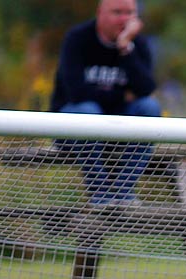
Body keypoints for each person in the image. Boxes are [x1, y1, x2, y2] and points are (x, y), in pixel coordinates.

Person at [50, 0, 161, 206]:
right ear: (100, 13)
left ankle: (123, 192)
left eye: (130, 13)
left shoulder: (139, 44)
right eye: (117, 12)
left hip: (116, 127)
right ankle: (100, 193)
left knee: (149, 108)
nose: (125, 19)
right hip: (72, 125)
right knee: (88, 111)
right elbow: (77, 93)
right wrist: (121, 97)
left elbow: (145, 90)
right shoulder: (77, 38)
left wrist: (125, 47)